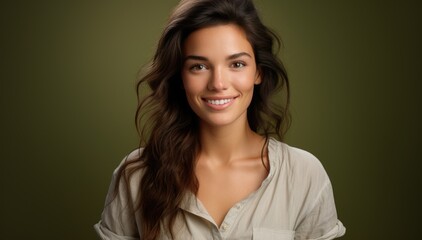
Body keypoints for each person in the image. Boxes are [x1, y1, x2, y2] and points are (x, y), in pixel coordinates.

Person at [94, 0, 346, 239]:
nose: (218, 84)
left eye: (236, 64)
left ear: (258, 71)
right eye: (199, 67)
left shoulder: (304, 175)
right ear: (180, 76)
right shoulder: (137, 175)